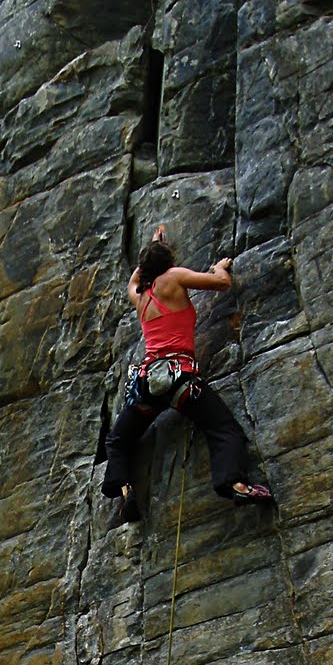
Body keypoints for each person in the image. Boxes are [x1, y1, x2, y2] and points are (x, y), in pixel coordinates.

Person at [101, 224, 273, 527]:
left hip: (148, 386)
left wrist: (153, 246)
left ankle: (126, 490)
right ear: (167, 263)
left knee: (118, 439)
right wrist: (220, 266)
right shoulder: (175, 277)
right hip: (180, 380)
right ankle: (237, 486)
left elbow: (135, 278)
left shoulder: (138, 296)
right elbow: (221, 283)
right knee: (222, 428)